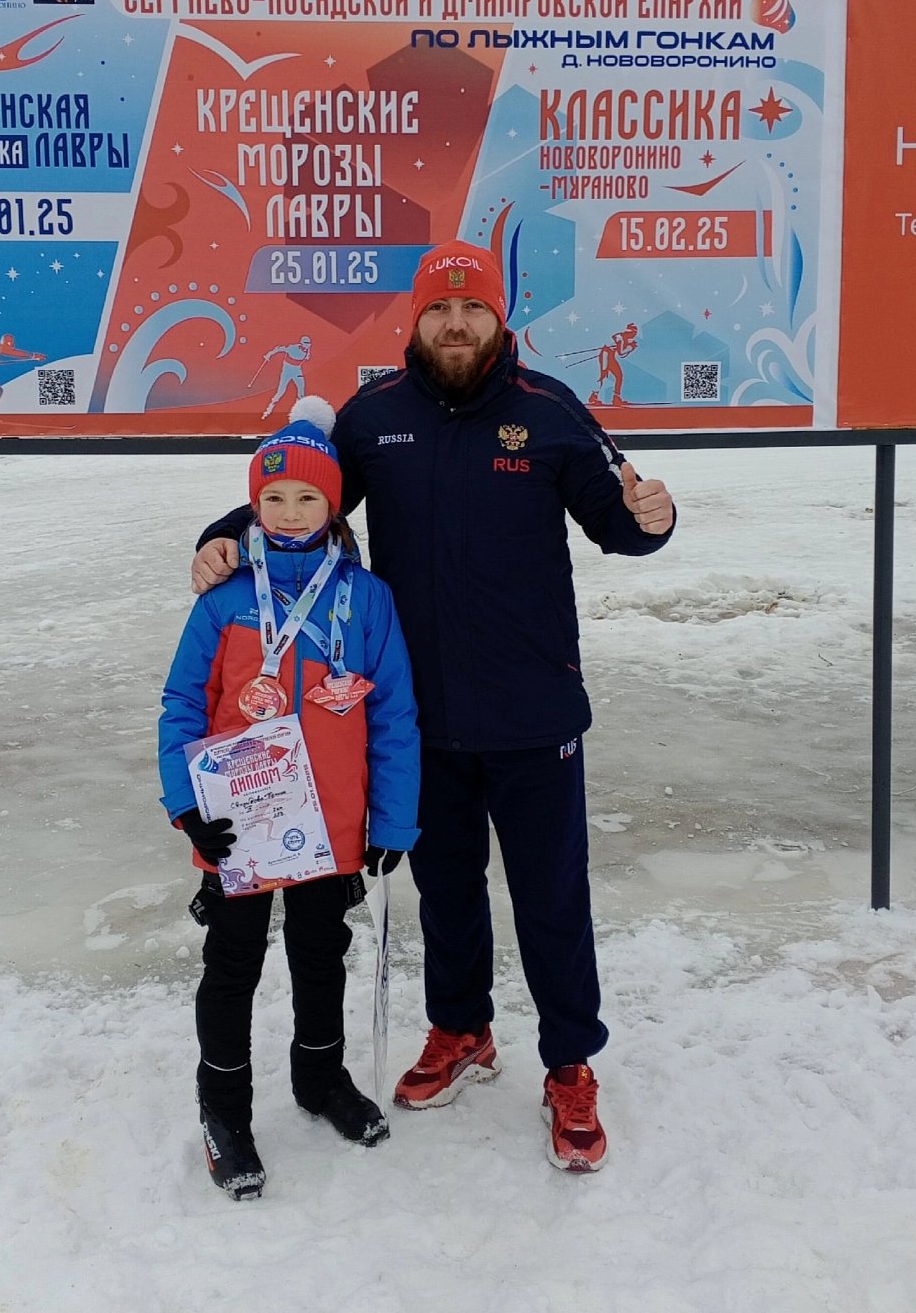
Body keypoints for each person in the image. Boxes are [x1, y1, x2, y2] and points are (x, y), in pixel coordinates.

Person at [193, 241, 675, 1175]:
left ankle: (569, 1065)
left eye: (473, 308)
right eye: (439, 310)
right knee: (446, 890)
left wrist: (649, 520)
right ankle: (461, 1029)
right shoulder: (375, 418)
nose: (456, 324)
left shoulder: (549, 412)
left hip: (535, 714)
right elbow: (302, 496)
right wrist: (222, 536)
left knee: (552, 900)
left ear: (499, 319)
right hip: (421, 717)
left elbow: (617, 522)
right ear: (414, 322)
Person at [160, 398, 420, 1201]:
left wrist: (393, 820)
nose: (290, 512)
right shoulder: (224, 600)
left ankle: (320, 1078)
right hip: (237, 826)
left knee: (320, 954)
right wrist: (185, 804)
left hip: (328, 827)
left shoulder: (367, 599)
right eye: (273, 497)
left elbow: (393, 716)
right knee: (232, 963)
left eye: (308, 497)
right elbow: (181, 704)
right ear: (253, 505)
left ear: (334, 504)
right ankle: (224, 1110)